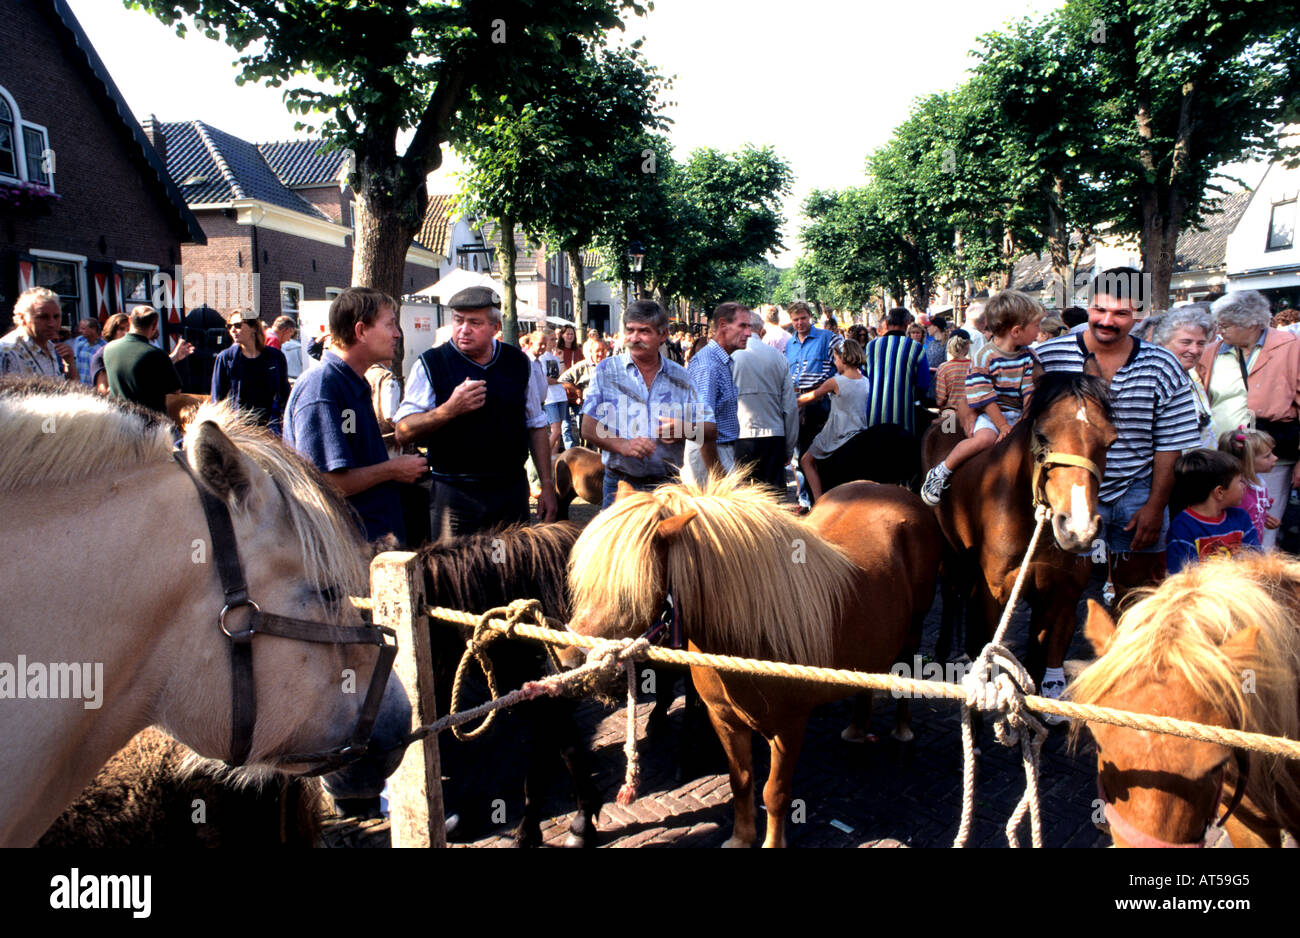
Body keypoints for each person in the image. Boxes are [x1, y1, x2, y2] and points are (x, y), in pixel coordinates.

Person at [1036, 267, 1200, 607]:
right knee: (1060, 593)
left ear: (1139, 315)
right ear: (1088, 305)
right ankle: (1053, 662)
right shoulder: (1050, 358)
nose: (1107, 320)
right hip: (1068, 492)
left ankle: (1131, 656)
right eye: (1100, 309)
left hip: (1135, 490)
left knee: (1137, 593)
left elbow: (1170, 445)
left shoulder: (1164, 365)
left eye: (1121, 313)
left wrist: (1155, 507)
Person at [393, 287, 557, 539]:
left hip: (509, 494)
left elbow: (536, 425)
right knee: (457, 574)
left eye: (474, 322)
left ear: (495, 327)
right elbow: (403, 431)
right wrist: (448, 410)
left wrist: (547, 484)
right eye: (458, 320)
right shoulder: (431, 363)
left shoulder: (518, 363)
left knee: (506, 569)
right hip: (455, 497)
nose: (463, 329)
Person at [284, 287, 427, 545]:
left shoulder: (351, 384)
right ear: (360, 331)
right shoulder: (321, 388)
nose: (397, 334)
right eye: (390, 324)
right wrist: (392, 469)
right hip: (348, 557)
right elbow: (326, 483)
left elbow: (350, 455)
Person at [581, 299, 715, 508]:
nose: (634, 338)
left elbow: (710, 430)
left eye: (644, 331)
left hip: (667, 486)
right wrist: (623, 445)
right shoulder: (607, 371)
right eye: (630, 330)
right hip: (619, 484)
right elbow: (587, 428)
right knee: (620, 541)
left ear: (663, 335)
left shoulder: (681, 377)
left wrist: (685, 430)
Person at [1199, 289, 1300, 550]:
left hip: (1270, 455)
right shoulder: (1213, 351)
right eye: (1218, 325)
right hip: (1220, 453)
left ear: (1252, 324)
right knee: (1220, 520)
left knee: (1263, 520)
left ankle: (1259, 579)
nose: (1221, 331)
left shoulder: (1290, 347)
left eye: (1227, 325)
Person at [921, 291, 1043, 505]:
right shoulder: (984, 357)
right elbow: (984, 396)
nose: (1039, 331)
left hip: (1020, 413)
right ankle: (941, 471)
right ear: (1016, 331)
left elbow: (1029, 390)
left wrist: (1025, 420)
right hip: (992, 412)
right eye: (1036, 325)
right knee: (984, 439)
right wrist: (1003, 425)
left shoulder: (1029, 356)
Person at [682, 302, 750, 485]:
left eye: (749, 326)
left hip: (716, 452)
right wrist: (718, 476)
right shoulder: (708, 365)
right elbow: (701, 428)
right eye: (742, 326)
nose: (749, 333)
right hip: (711, 456)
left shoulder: (718, 361)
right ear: (722, 325)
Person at [732, 310, 798, 494]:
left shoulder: (731, 356)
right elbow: (790, 407)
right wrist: (789, 447)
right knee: (774, 500)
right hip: (773, 436)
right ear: (761, 331)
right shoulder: (778, 358)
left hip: (740, 436)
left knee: (741, 498)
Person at [786, 300, 843, 509]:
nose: (799, 323)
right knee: (798, 455)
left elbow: (843, 366)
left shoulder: (828, 338)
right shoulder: (789, 345)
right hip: (796, 402)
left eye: (803, 318)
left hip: (820, 402)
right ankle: (805, 501)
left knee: (818, 453)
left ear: (810, 317)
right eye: (795, 319)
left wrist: (826, 388)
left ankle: (826, 499)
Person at [1166, 449, 1260, 574]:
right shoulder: (1182, 527)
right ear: (1219, 492)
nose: (1243, 486)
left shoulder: (1241, 518)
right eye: (1239, 482)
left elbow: (1256, 560)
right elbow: (1183, 577)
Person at [798, 339, 868, 502]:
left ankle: (818, 500)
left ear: (843, 358)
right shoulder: (865, 380)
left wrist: (791, 402)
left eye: (836, 359)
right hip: (859, 430)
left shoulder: (835, 382)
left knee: (806, 460)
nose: (835, 363)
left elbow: (811, 397)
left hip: (838, 431)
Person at [210, 309, 291, 435]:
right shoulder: (226, 358)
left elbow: (285, 392)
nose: (232, 330)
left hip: (270, 428)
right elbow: (217, 399)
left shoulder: (275, 356)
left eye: (237, 325)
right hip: (239, 430)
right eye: (229, 326)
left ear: (253, 327)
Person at [103, 305, 195, 415]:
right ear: (155, 325)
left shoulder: (109, 349)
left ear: (129, 320)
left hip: (118, 419)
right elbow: (175, 390)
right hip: (149, 423)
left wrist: (173, 357)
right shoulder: (157, 354)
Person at [1152, 304, 1217, 450]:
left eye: (1201, 343)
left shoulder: (1190, 378)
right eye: (1186, 342)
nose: (1195, 350)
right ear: (1161, 344)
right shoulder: (1152, 383)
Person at [862, 307, 930, 436]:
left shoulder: (871, 347)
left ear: (887, 324)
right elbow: (923, 384)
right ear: (907, 324)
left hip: (873, 417)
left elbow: (863, 379)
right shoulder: (915, 348)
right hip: (903, 417)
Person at [0, 287, 76, 380]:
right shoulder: (6, 351)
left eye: (56, 316)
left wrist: (69, 364)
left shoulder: (51, 347)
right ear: (22, 318)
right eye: (43, 317)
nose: (52, 324)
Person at [1219, 427, 1278, 544]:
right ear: (1245, 461)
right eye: (1267, 456)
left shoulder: (1258, 481)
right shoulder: (1236, 490)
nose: (1275, 458)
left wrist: (1263, 518)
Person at [934, 332, 974, 436]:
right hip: (971, 416)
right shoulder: (975, 366)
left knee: (945, 445)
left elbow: (940, 400)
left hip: (949, 416)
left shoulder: (944, 368)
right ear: (967, 345)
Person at [90, 312, 130, 392]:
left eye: (129, 330)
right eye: (121, 329)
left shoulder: (133, 354)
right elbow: (103, 390)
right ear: (112, 331)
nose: (126, 333)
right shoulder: (102, 355)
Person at [71, 318, 105, 387]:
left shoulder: (103, 347)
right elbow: (74, 360)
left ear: (93, 329)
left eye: (83, 329)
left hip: (94, 386)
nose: (80, 331)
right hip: (80, 385)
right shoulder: (79, 342)